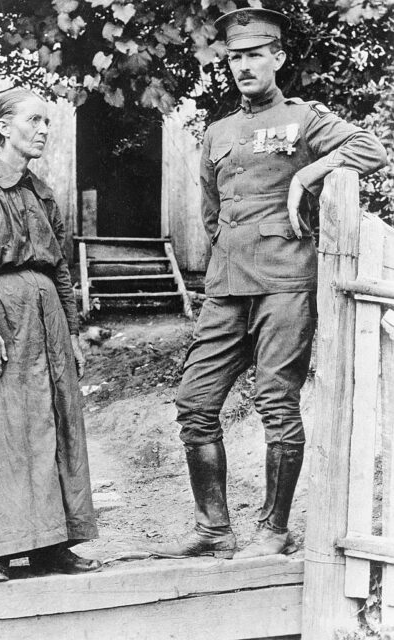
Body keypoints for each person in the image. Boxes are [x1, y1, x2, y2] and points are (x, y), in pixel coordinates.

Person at [152, 8, 387, 559]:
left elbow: (371, 150)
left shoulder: (303, 121)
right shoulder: (218, 132)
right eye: (235, 56)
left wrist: (309, 171)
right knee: (194, 401)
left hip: (285, 282)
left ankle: (272, 530)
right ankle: (213, 528)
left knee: (277, 403)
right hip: (227, 286)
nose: (244, 66)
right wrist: (223, 266)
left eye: (256, 54)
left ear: (277, 58)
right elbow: (212, 216)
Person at [0, 89, 100, 582]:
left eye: (47, 122)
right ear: (4, 127)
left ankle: (52, 545)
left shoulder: (42, 191)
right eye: (34, 120)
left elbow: (60, 270)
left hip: (48, 321)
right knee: (2, 430)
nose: (43, 130)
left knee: (53, 426)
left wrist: (71, 331)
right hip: (3, 319)